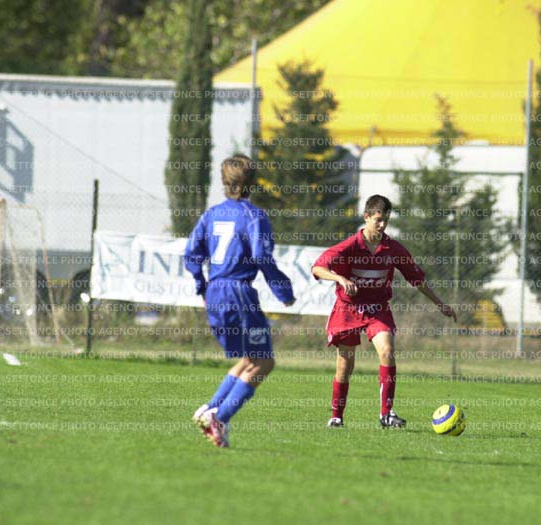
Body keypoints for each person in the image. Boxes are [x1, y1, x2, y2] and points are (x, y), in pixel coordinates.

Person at [312, 194, 456, 428]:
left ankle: (386, 414)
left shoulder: (392, 248)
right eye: (378, 219)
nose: (382, 225)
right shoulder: (350, 246)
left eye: (386, 220)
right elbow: (318, 268)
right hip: (348, 308)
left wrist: (441, 304)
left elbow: (416, 279)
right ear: (366, 217)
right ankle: (337, 416)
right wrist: (340, 278)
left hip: (377, 309)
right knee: (345, 366)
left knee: (387, 350)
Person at [185, 154, 295, 448]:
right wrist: (283, 290)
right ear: (252, 183)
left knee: (249, 358)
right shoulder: (253, 216)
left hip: (216, 291)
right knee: (264, 362)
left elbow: (192, 254)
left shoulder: (211, 214)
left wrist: (202, 287)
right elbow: (260, 256)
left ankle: (209, 410)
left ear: (224, 182)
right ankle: (220, 418)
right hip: (238, 292)